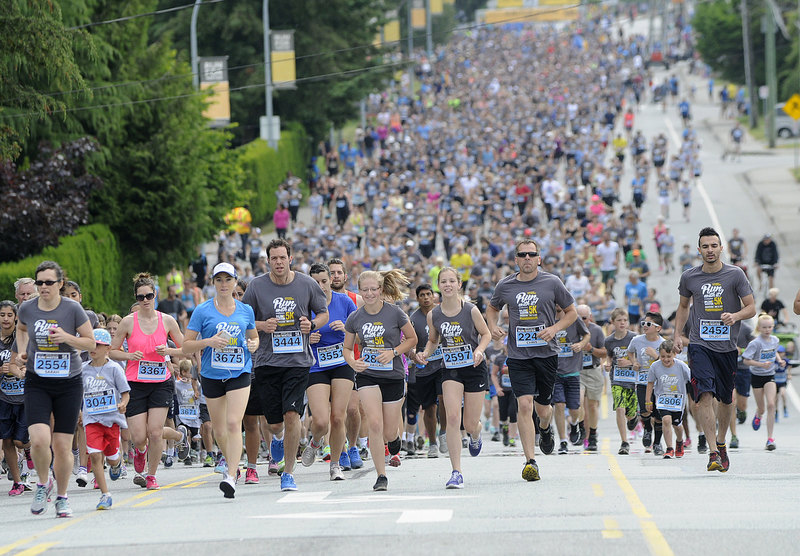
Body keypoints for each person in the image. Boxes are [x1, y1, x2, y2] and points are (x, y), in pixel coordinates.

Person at [486, 239, 577, 481]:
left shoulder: (552, 282)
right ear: (515, 259)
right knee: (524, 405)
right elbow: (492, 308)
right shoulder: (505, 285)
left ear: (539, 258)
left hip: (546, 354)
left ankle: (545, 429)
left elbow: (572, 313)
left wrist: (554, 328)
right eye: (522, 254)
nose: (527, 258)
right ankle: (530, 461)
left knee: (543, 409)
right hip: (518, 355)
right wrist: (493, 326)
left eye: (531, 254)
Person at [242, 238, 329, 492]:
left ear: (290, 259)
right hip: (267, 362)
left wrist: (311, 325)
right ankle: (277, 438)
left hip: (297, 361)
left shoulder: (307, 284)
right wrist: (261, 326)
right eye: (274, 258)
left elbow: (322, 313)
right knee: (274, 423)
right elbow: (243, 317)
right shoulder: (257, 286)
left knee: (292, 415)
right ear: (268, 261)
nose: (278, 262)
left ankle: (288, 473)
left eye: (282, 257)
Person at [10, 261, 96, 517]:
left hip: (69, 382)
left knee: (61, 446)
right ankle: (42, 483)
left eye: (49, 282)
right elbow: (22, 329)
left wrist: (66, 338)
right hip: (38, 381)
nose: (44, 287)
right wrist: (23, 351)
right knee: (38, 440)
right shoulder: (27, 308)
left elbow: (90, 341)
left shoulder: (72, 309)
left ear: (60, 284)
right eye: (40, 283)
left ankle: (61, 496)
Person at [674, 227, 755, 472]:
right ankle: (712, 452)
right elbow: (683, 306)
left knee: (726, 398)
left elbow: (751, 307)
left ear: (721, 248)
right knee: (704, 396)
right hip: (700, 344)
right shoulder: (689, 277)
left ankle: (721, 443)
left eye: (714, 246)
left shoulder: (735, 275)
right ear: (699, 250)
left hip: (727, 347)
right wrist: (678, 334)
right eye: (705, 246)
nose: (710, 250)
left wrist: (736, 315)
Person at [183, 262, 259, 498]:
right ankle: (232, 461)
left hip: (239, 372)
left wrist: (253, 344)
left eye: (228, 280)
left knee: (235, 423)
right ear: (213, 283)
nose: (224, 284)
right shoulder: (202, 310)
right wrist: (208, 342)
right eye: (219, 280)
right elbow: (186, 345)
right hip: (212, 374)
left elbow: (254, 337)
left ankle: (231, 474)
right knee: (219, 429)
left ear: (235, 281)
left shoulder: (246, 310)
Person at [109, 273, 186, 491]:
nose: (145, 300)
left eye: (149, 296)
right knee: (139, 437)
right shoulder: (127, 322)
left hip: (161, 382)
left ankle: (151, 475)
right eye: (140, 297)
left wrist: (169, 351)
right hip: (135, 384)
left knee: (155, 432)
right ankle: (140, 451)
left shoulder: (167, 320)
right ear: (136, 297)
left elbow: (185, 348)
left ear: (155, 296)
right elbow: (112, 352)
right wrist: (129, 356)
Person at [343, 270, 417, 491]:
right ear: (359, 291)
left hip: (392, 375)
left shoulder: (395, 313)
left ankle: (394, 440)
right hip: (367, 374)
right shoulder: (355, 317)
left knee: (388, 431)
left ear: (381, 290)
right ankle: (381, 475)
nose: (369, 294)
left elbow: (413, 339)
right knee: (374, 423)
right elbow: (347, 348)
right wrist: (353, 362)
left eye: (373, 289)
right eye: (364, 290)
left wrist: (394, 352)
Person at [420, 267, 491, 489]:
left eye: (452, 281)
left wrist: (479, 350)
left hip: (474, 367)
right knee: (451, 418)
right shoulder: (434, 314)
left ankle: (476, 433)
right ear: (438, 286)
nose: (448, 285)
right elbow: (433, 340)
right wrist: (425, 353)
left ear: (459, 285)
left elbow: (486, 334)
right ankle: (456, 472)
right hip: (450, 369)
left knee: (469, 423)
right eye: (443, 281)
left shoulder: (470, 310)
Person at [302, 263, 357, 481]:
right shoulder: (305, 305)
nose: (321, 286)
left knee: (338, 417)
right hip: (316, 365)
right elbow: (292, 334)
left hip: (341, 362)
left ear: (330, 281)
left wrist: (345, 329)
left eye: (324, 281)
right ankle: (315, 441)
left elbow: (360, 332)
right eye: (315, 282)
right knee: (322, 421)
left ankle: (335, 465)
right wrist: (308, 337)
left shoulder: (344, 302)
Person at [80, 328, 130, 510]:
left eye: (99, 345)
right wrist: (79, 411)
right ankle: (105, 494)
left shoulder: (115, 369)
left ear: (107, 348)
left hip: (111, 420)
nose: (94, 348)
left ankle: (117, 464)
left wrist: (123, 403)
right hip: (91, 419)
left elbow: (125, 393)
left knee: (111, 458)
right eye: (92, 344)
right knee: (94, 455)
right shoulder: (83, 370)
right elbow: (78, 394)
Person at [327, 258, 365, 470]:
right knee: (335, 413)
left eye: (338, 273)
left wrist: (347, 330)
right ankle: (339, 451)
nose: (335, 276)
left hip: (351, 360)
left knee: (352, 409)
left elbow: (364, 333)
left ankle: (352, 446)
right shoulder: (318, 300)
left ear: (345, 276)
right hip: (325, 362)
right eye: (331, 273)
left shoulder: (355, 300)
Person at [407, 284, 446, 458]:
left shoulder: (442, 313)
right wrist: (414, 355)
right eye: (422, 295)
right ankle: (432, 444)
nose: (425, 298)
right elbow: (409, 343)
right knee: (429, 408)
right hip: (424, 368)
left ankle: (444, 433)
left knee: (444, 400)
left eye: (428, 294)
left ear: (434, 296)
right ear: (417, 298)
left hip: (444, 364)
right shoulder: (412, 319)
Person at [0, 300, 31, 496]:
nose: (5, 319)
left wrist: (26, 369)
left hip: (24, 397)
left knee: (21, 441)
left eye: (9, 315)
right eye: (2, 315)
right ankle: (18, 481)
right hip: (3, 398)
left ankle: (29, 450)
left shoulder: (22, 337)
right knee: (7, 441)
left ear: (16, 317)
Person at [552, 305, 590, 455]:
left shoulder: (574, 318)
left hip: (572, 371)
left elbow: (586, 335)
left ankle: (574, 424)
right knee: (559, 405)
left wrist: (580, 344)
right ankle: (562, 441)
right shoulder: (548, 318)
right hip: (555, 372)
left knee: (575, 409)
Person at [741, 314, 782, 451]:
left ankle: (770, 438)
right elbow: (746, 360)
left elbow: (774, 351)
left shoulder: (775, 340)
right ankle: (758, 414)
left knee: (771, 404)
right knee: (762, 407)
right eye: (764, 327)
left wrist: (779, 360)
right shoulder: (755, 343)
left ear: (773, 327)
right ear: (759, 328)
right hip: (757, 376)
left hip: (770, 375)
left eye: (770, 327)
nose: (767, 330)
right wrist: (760, 364)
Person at [627, 311, 666, 455]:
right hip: (642, 381)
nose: (645, 326)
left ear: (658, 328)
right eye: (643, 323)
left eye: (649, 324)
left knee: (659, 414)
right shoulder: (637, 340)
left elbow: (668, 363)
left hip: (660, 384)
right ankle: (647, 429)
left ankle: (657, 443)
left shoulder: (663, 343)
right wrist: (634, 362)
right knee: (644, 409)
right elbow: (630, 352)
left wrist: (656, 356)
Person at [644, 340, 690, 459]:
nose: (666, 359)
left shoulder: (681, 366)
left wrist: (697, 397)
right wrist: (648, 400)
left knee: (677, 425)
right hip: (662, 399)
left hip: (678, 400)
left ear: (674, 354)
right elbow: (650, 383)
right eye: (663, 356)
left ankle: (679, 441)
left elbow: (692, 380)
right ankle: (669, 448)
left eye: (669, 356)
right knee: (666, 420)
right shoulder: (655, 366)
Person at [603, 308, 637, 455]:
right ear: (613, 322)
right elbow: (609, 356)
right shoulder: (609, 340)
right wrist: (607, 363)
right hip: (616, 379)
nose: (622, 323)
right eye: (619, 320)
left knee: (629, 413)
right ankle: (624, 442)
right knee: (619, 408)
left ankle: (634, 418)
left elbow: (640, 361)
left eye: (625, 320)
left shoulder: (634, 338)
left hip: (632, 379)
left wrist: (629, 363)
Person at [576, 305, 606, 452]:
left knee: (593, 406)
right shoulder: (571, 329)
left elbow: (605, 352)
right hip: (578, 371)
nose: (581, 321)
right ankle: (581, 429)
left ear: (590, 317)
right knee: (579, 403)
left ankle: (592, 434)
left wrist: (591, 349)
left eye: (584, 318)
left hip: (593, 370)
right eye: (578, 318)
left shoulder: (596, 330)